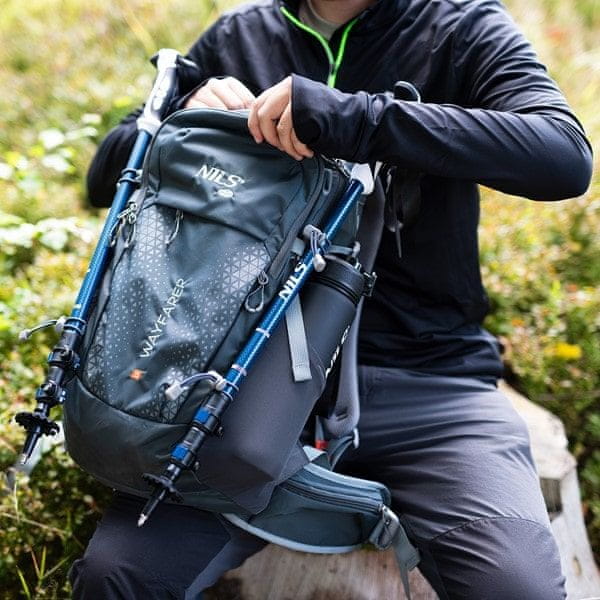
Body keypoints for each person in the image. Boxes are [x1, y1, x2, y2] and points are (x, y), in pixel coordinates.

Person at [71, 0, 593, 598]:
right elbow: (105, 173)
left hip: (431, 385)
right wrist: (186, 116)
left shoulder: (458, 27)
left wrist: (357, 118)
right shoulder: (243, 35)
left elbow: (562, 155)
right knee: (118, 577)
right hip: (236, 389)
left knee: (517, 586)